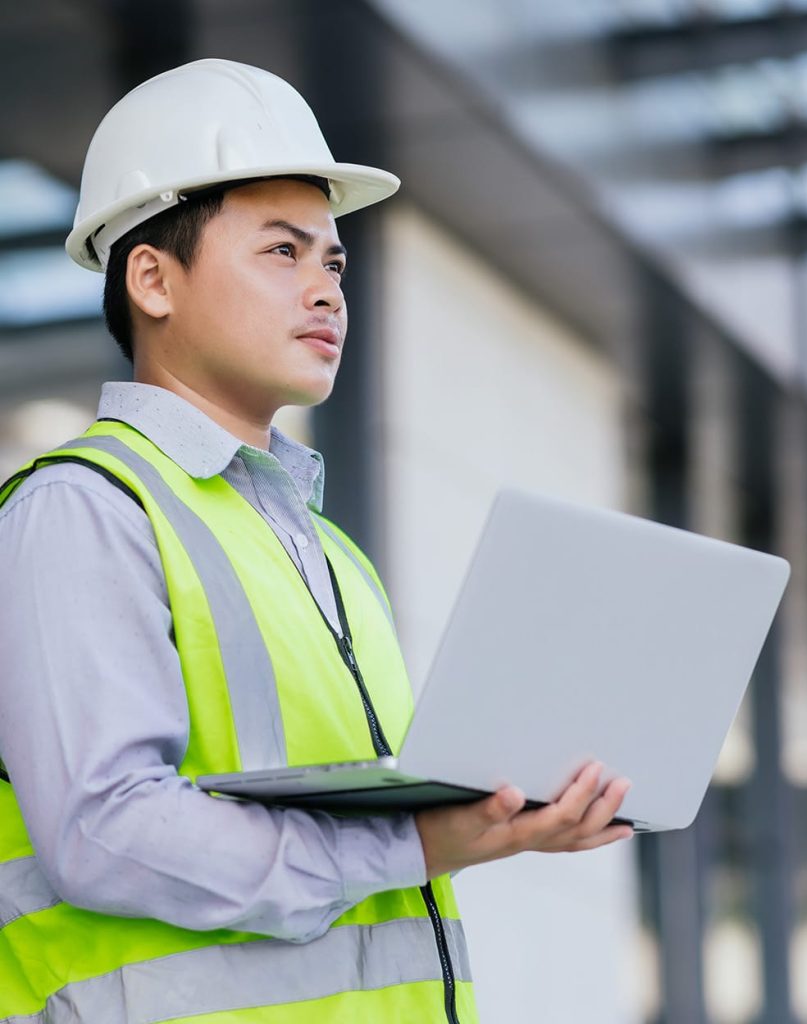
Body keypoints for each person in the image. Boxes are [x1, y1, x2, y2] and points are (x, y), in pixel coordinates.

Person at [0, 59, 632, 1023]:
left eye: (333, 262)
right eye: (282, 254)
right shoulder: (85, 510)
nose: (328, 291)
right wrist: (419, 843)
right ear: (153, 279)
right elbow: (105, 830)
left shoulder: (333, 556)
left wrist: (506, 812)